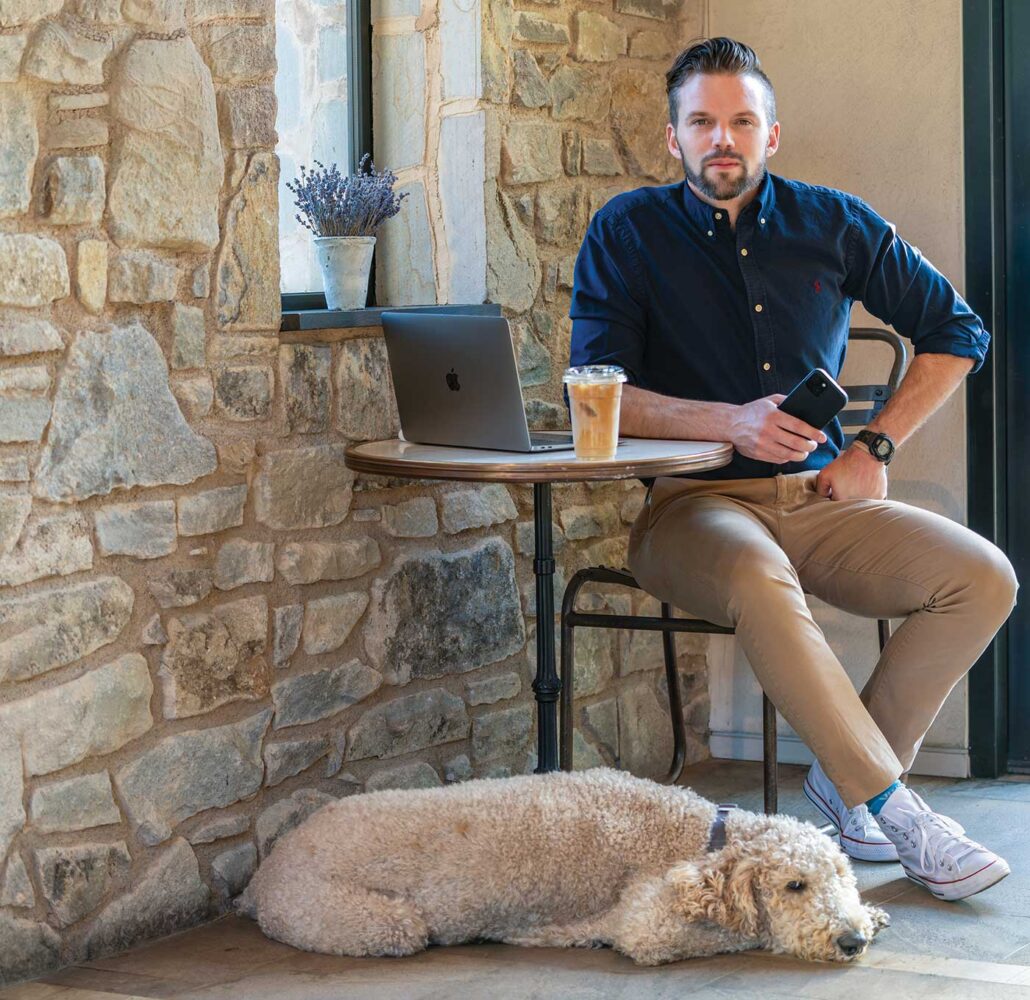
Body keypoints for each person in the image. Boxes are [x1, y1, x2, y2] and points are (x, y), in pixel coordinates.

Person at [568, 37, 1018, 901]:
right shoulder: (627, 230)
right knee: (757, 568)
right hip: (691, 509)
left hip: (817, 499)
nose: (722, 138)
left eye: (742, 121)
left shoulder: (834, 221)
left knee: (982, 577)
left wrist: (872, 446)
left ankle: (841, 788)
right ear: (674, 138)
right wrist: (728, 420)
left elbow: (959, 333)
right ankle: (895, 807)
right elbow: (598, 391)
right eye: (702, 122)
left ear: (772, 135)